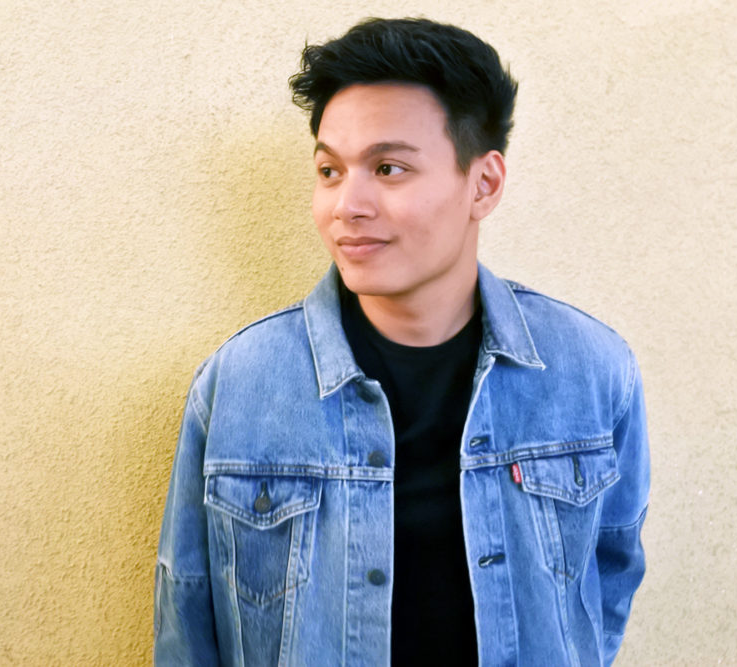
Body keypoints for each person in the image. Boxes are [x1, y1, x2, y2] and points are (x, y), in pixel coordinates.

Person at [154, 17, 649, 666]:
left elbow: (604, 585)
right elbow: (188, 622)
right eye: (330, 170)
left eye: (388, 168)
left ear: (483, 184)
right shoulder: (237, 385)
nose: (347, 205)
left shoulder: (590, 370)